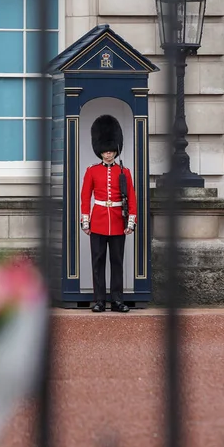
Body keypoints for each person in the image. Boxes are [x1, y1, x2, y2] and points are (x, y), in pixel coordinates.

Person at [80, 114, 137, 313]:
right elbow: (85, 196)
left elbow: (131, 196)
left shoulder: (125, 172)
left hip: (118, 221)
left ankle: (117, 300)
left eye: (111, 150)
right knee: (98, 262)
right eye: (105, 151)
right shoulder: (92, 171)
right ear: (100, 151)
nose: (108, 154)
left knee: (117, 263)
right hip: (98, 221)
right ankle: (99, 301)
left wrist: (131, 221)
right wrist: (85, 221)